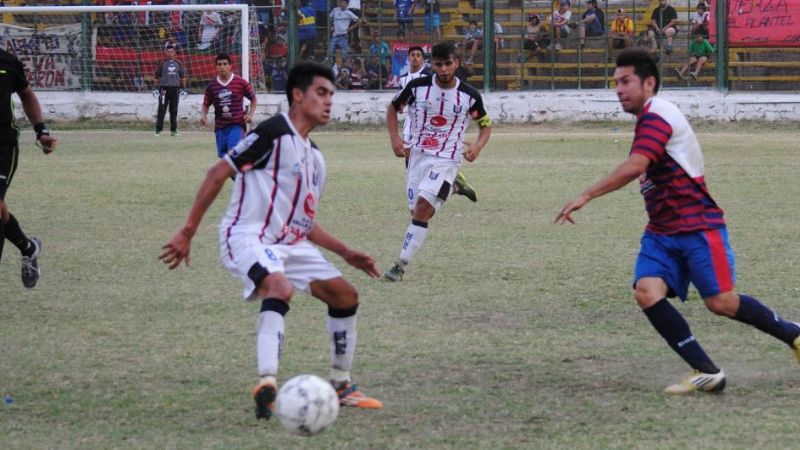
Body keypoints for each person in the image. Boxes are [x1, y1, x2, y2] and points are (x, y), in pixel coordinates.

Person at [555, 48, 800, 394]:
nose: (619, 90)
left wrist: (586, 195)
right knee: (646, 292)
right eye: (616, 83)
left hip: (697, 226)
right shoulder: (649, 116)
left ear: (649, 83)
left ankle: (794, 334)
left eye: (626, 81)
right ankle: (707, 372)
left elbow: (637, 165)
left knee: (721, 302)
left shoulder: (658, 115)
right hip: (661, 230)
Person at [160, 61, 384, 420]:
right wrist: (188, 231)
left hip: (289, 243)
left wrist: (345, 252)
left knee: (345, 296)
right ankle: (267, 385)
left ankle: (341, 386)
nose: (329, 101)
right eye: (321, 92)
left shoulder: (316, 159)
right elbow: (218, 172)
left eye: (331, 94)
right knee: (278, 287)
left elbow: (304, 222)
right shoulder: (274, 132)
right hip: (246, 236)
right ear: (298, 95)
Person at [384, 42, 492, 282]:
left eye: (448, 63)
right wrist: (395, 139)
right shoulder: (417, 87)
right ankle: (452, 188)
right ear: (432, 64)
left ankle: (399, 266)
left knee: (422, 208)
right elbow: (393, 109)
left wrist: (478, 146)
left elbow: (485, 124)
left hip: (446, 159)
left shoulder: (469, 96)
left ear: (456, 63)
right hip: (417, 156)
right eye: (438, 64)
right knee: (417, 212)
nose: (443, 69)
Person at [0, 49, 58, 289]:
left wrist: (41, 131)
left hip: (2, 146)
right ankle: (28, 248)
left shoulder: (7, 62)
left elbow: (27, 95)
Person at [200, 53, 257, 158]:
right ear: (216, 67)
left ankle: (241, 168)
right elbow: (206, 104)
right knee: (224, 157)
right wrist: (204, 115)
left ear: (230, 66)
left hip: (237, 125)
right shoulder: (212, 86)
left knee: (234, 153)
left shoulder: (240, 82)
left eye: (225, 64)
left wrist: (250, 114)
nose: (222, 67)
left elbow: (253, 99)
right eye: (219, 64)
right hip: (220, 126)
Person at [153, 44, 188, 137]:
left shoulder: (179, 63)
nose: (170, 53)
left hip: (175, 89)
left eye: (171, 52)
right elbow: (156, 76)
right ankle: (158, 130)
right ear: (165, 52)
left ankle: (173, 130)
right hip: (163, 89)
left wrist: (184, 89)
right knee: (162, 109)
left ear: (175, 53)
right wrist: (155, 88)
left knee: (174, 110)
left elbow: (183, 77)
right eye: (168, 52)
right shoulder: (162, 63)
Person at [328, 0, 360, 64]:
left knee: (345, 55)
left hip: (344, 36)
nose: (343, 4)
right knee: (330, 52)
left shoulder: (349, 13)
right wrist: (332, 26)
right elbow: (330, 18)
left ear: (347, 4)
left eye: (344, 3)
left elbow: (358, 21)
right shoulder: (335, 10)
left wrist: (350, 28)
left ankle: (344, 67)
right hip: (335, 35)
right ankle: (331, 65)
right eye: (342, 2)